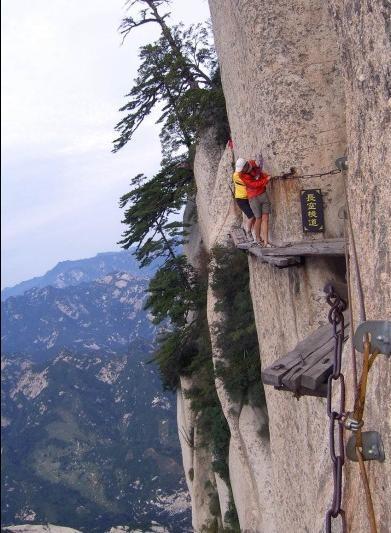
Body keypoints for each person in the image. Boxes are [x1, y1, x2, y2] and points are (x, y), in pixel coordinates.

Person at [235, 158, 272, 246]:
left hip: (263, 194)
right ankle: (258, 239)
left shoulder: (252, 164)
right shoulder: (241, 175)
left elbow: (258, 169)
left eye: (242, 169)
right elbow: (253, 185)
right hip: (253, 198)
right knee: (258, 218)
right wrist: (266, 180)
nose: (241, 171)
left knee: (265, 219)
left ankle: (266, 242)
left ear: (245, 166)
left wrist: (263, 173)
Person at [232, 159, 256, 240]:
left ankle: (255, 234)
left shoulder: (244, 172)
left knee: (254, 217)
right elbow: (248, 182)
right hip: (241, 199)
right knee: (251, 216)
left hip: (248, 198)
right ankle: (248, 232)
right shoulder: (236, 175)